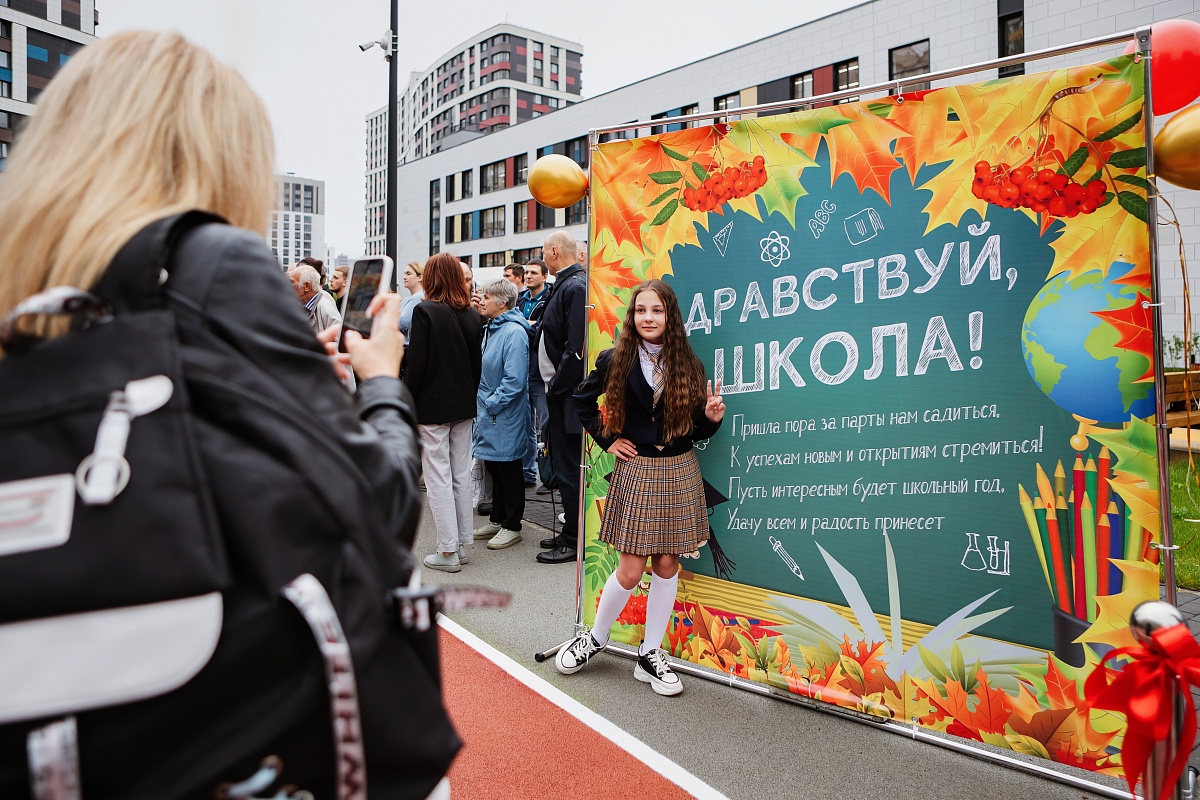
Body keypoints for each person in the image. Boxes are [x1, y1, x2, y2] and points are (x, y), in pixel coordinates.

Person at [0, 30, 457, 797]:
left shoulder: (24, 275)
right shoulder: (210, 259)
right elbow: (377, 502)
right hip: (220, 728)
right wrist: (381, 383)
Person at [556, 280, 725, 696]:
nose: (648, 318)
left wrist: (711, 418)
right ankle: (596, 638)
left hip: (680, 470)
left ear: (670, 316)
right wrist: (608, 438)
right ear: (632, 317)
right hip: (638, 470)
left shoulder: (689, 363)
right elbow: (581, 400)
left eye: (657, 311)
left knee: (668, 564)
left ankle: (649, 655)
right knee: (631, 570)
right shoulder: (615, 358)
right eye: (641, 311)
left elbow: (695, 429)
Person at [405, 252, 483, 573]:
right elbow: (476, 365)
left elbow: (417, 365)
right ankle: (462, 544)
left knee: (437, 476)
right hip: (464, 404)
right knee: (460, 474)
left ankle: (448, 551)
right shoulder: (471, 315)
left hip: (432, 407)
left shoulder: (425, 311)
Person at [536, 232, 587, 564]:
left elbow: (577, 347)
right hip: (560, 393)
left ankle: (574, 539)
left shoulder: (575, 286)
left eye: (543, 252)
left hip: (567, 395)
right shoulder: (566, 285)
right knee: (565, 467)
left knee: (570, 469)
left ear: (554, 251)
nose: (541, 257)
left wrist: (557, 386)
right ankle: (569, 533)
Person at [471, 278, 531, 550]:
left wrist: (492, 403)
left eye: (487, 296)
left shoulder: (513, 332)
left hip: (502, 411)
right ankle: (498, 518)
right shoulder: (492, 328)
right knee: (495, 464)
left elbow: (514, 380)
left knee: (508, 466)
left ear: (503, 302)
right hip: (491, 409)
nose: (481, 300)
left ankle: (512, 524)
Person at [518, 258, 550, 489]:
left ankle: (548, 475)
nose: (528, 276)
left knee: (546, 422)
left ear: (544, 276)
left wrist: (525, 325)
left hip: (540, 369)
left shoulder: (549, 298)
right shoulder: (520, 299)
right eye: (526, 272)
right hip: (522, 367)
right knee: (525, 424)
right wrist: (528, 324)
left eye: (533, 273)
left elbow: (541, 331)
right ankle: (528, 473)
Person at [288, 263, 342, 333]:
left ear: (307, 286)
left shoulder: (326, 309)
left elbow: (340, 339)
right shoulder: (299, 306)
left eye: (291, 282)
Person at [399, 260, 425, 336]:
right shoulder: (420, 297)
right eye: (404, 274)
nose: (404, 277)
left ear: (420, 277)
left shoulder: (416, 298)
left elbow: (403, 323)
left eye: (408, 274)